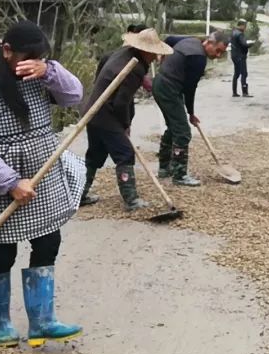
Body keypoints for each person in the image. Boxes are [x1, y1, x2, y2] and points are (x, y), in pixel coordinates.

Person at [0, 20, 87, 348]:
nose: (30, 63)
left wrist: (49, 71)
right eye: (25, 57)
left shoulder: (40, 71)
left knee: (48, 241)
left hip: (42, 168)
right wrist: (9, 181)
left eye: (38, 57)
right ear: (6, 50)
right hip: (1, 175)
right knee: (2, 250)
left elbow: (74, 97)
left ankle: (42, 322)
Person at [80, 28, 174, 210]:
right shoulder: (134, 67)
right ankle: (131, 200)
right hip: (105, 114)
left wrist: (126, 121)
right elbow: (121, 103)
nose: (155, 58)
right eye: (153, 53)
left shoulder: (122, 53)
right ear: (145, 50)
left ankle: (80, 194)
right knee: (124, 154)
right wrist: (124, 124)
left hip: (93, 111)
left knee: (95, 155)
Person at [153, 31, 231, 186]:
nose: (218, 55)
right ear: (209, 43)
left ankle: (164, 168)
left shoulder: (190, 40)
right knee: (183, 133)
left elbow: (169, 39)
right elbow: (190, 88)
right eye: (217, 51)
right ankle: (179, 175)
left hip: (159, 83)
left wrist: (163, 56)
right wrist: (191, 112)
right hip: (169, 88)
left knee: (173, 127)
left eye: (222, 53)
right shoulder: (198, 58)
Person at [231, 18, 253, 98]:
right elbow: (244, 44)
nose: (245, 28)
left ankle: (234, 92)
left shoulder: (234, 32)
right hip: (240, 56)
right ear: (242, 25)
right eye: (245, 26)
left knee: (236, 74)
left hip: (234, 55)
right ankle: (245, 92)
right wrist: (251, 44)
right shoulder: (240, 34)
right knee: (244, 73)